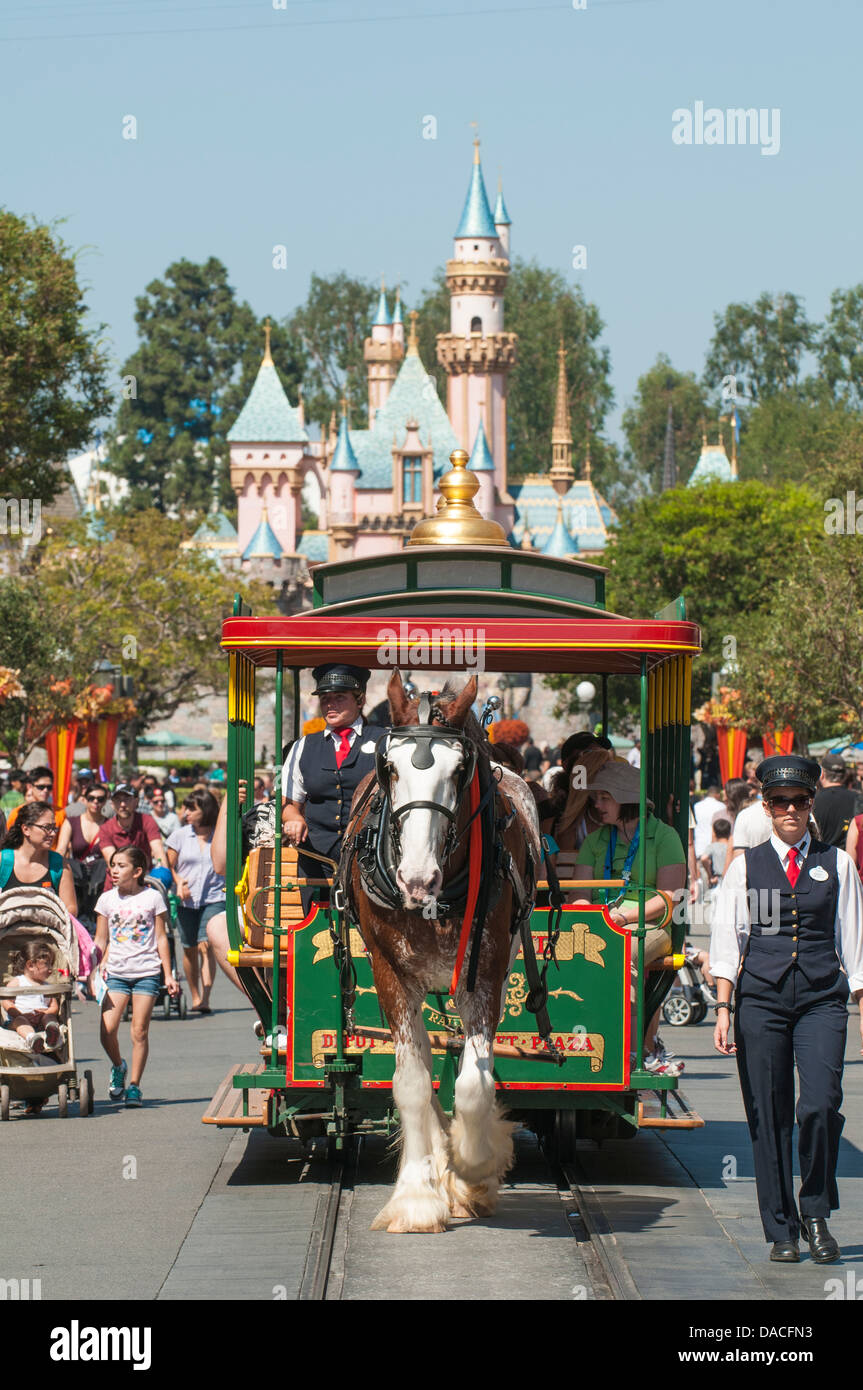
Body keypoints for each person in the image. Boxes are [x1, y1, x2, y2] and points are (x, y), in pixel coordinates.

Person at [711, 754, 863, 1264]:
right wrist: (724, 1008)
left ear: (811, 803)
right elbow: (729, 939)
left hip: (822, 997)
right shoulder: (744, 866)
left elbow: (853, 939)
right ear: (767, 806)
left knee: (819, 1105)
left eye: (799, 801)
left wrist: (860, 1001)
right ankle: (781, 1229)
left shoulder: (837, 863)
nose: (791, 810)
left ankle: (815, 1212)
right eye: (781, 802)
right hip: (762, 998)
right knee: (768, 1112)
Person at [571, 761, 687, 1073]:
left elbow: (670, 897)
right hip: (599, 922)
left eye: (604, 797)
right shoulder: (596, 841)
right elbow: (579, 894)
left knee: (624, 953)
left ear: (626, 799)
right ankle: (574, 1040)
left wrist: (622, 919)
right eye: (596, 798)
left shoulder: (664, 837)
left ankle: (632, 1052)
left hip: (650, 926)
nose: (597, 804)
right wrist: (591, 918)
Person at [282, 665, 388, 901]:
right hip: (317, 860)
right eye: (325, 698)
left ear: (360, 700)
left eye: (339, 698)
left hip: (371, 857)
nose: (331, 705)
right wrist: (294, 819)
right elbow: (288, 803)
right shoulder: (302, 747)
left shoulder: (386, 741)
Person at [91, 846, 179, 1107]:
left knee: (139, 1031)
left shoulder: (152, 898)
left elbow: (162, 937)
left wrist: (168, 974)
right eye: (113, 865)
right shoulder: (106, 899)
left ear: (137, 871)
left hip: (146, 972)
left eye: (120, 866)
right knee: (107, 1029)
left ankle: (134, 1086)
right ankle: (118, 1066)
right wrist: (93, 967)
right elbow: (101, 938)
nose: (114, 871)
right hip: (116, 972)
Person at [165, 790, 225, 1013]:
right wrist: (178, 882)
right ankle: (195, 994)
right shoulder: (180, 836)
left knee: (205, 944)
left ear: (206, 811)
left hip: (216, 896)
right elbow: (170, 865)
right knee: (189, 948)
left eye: (192, 809)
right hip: (186, 901)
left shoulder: (220, 834)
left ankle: (206, 997)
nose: (186, 813)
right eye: (185, 807)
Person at [0, 802, 77, 916]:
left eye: (54, 828)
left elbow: (71, 909)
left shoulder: (60, 865)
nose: (52, 834)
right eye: (46, 827)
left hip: (46, 932)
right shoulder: (3, 861)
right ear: (26, 829)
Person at [57, 781, 110, 930]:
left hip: (100, 878)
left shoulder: (109, 824)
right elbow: (61, 849)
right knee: (68, 865)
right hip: (77, 876)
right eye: (92, 798)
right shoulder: (72, 822)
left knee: (103, 866)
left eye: (100, 799)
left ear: (105, 801)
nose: (95, 802)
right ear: (85, 800)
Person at [95, 783, 164, 891]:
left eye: (127, 799)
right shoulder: (105, 829)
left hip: (145, 883)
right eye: (118, 800)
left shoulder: (147, 821)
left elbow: (158, 851)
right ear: (112, 804)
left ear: (136, 801)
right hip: (116, 887)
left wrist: (163, 876)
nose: (122, 804)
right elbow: (113, 862)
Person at [1, 940, 63, 1054]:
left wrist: (46, 1013)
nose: (51, 969)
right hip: (18, 1020)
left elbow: (54, 1006)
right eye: (47, 964)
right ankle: (32, 1038)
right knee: (21, 1022)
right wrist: (20, 1014)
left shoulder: (47, 986)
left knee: (50, 1017)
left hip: (40, 1021)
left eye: (51, 964)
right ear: (30, 965)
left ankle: (51, 1030)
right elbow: (6, 1002)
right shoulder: (18, 982)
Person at [813, 755, 863, 849]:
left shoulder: (812, 801)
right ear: (844, 774)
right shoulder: (859, 799)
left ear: (822, 774)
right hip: (851, 859)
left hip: (822, 857)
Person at [693, 784, 725, 860]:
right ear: (717, 795)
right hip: (716, 849)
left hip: (699, 846)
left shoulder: (696, 806)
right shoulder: (722, 806)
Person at [701, 817, 731, 886]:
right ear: (729, 832)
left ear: (714, 833)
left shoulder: (712, 846)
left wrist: (709, 875)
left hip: (717, 880)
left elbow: (703, 858)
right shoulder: (732, 847)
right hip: (731, 879)